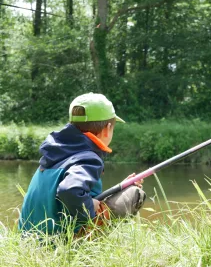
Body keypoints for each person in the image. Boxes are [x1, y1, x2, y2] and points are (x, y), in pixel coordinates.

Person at [19, 92, 145, 235]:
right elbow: (69, 189)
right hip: (59, 241)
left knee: (118, 192)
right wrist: (90, 209)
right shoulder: (88, 158)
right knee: (135, 194)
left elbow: (72, 191)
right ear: (107, 129)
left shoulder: (56, 152)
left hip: (30, 238)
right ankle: (86, 243)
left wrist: (119, 187)